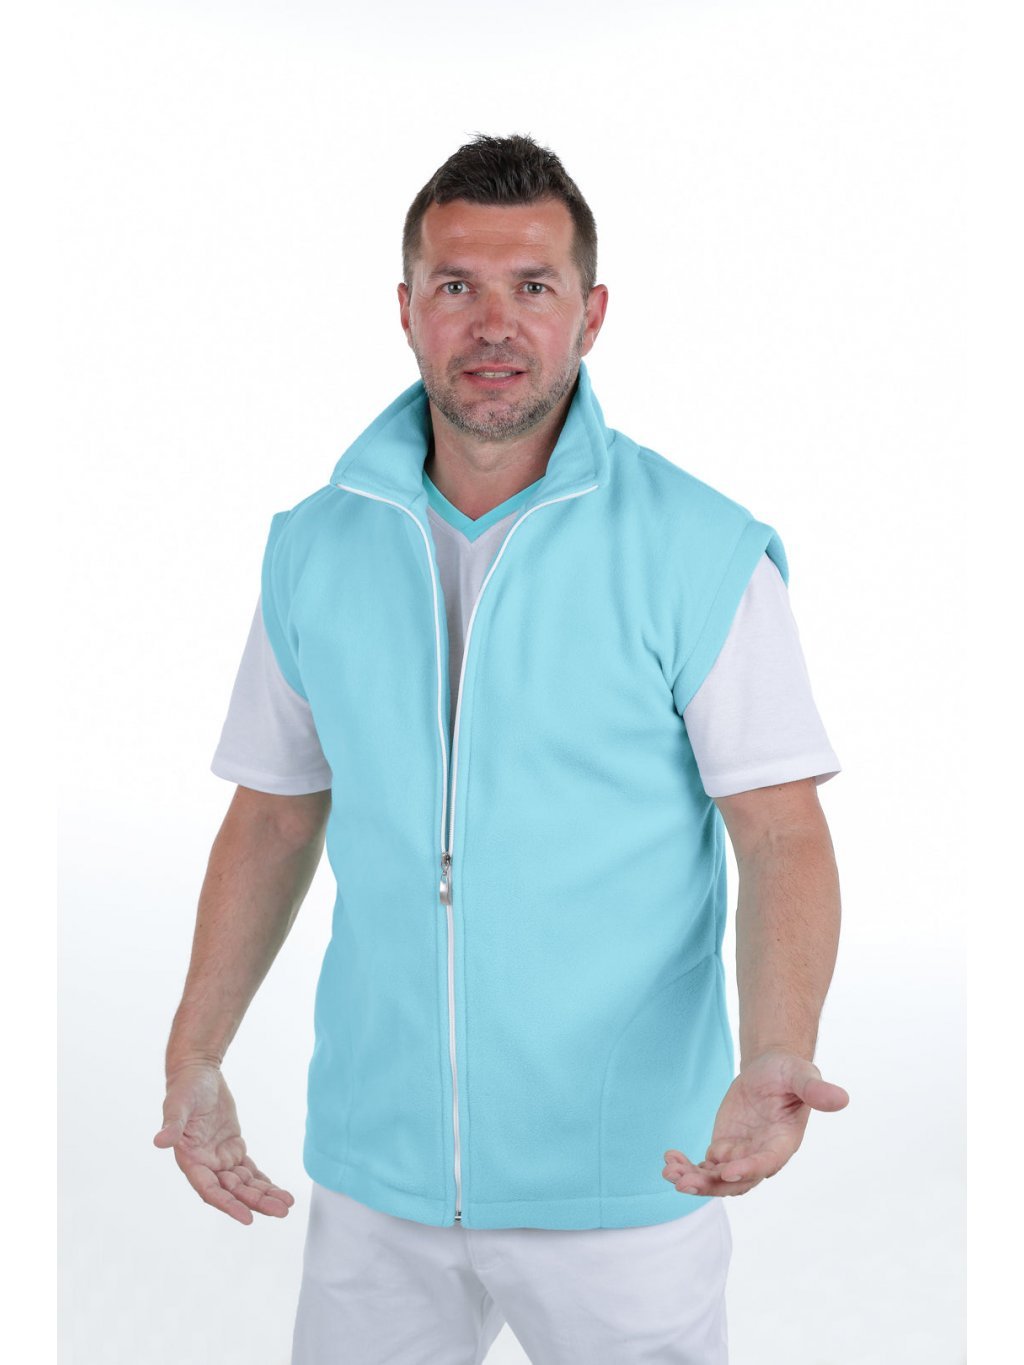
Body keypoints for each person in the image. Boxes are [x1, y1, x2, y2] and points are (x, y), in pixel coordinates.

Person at [154, 132, 849, 1364]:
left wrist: (777, 1049)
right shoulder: (315, 545)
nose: (492, 323)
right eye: (455, 285)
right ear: (405, 311)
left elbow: (780, 831)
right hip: (378, 1173)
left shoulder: (699, 549)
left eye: (532, 285)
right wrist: (195, 1052)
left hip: (628, 1175)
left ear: (591, 313)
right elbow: (271, 813)